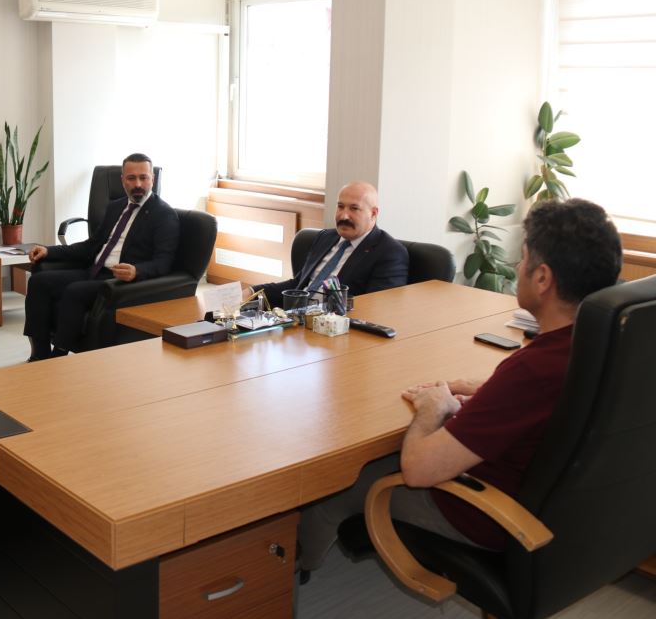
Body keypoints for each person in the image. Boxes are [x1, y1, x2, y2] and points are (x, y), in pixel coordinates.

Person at [296, 198, 623, 573]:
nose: (518, 268)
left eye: (523, 259)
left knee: (335, 485)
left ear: (543, 278)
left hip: (481, 512)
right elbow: (542, 404)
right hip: (557, 509)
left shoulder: (533, 370)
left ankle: (286, 572)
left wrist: (431, 409)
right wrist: (489, 390)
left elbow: (418, 470)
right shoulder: (597, 344)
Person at [24, 153, 179, 361]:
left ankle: (58, 356)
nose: (138, 184)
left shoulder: (164, 214)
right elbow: (91, 246)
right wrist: (49, 251)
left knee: (74, 291)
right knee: (38, 282)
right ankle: (39, 354)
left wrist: (137, 271)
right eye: (131, 178)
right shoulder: (116, 207)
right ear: (122, 180)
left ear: (153, 178)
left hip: (120, 282)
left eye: (143, 177)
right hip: (94, 271)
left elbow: (164, 262)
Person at [253, 181, 409, 308]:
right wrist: (252, 291)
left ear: (373, 214)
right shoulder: (326, 237)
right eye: (340, 206)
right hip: (293, 318)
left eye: (354, 208)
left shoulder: (390, 253)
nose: (344, 215)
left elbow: (377, 309)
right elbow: (297, 285)